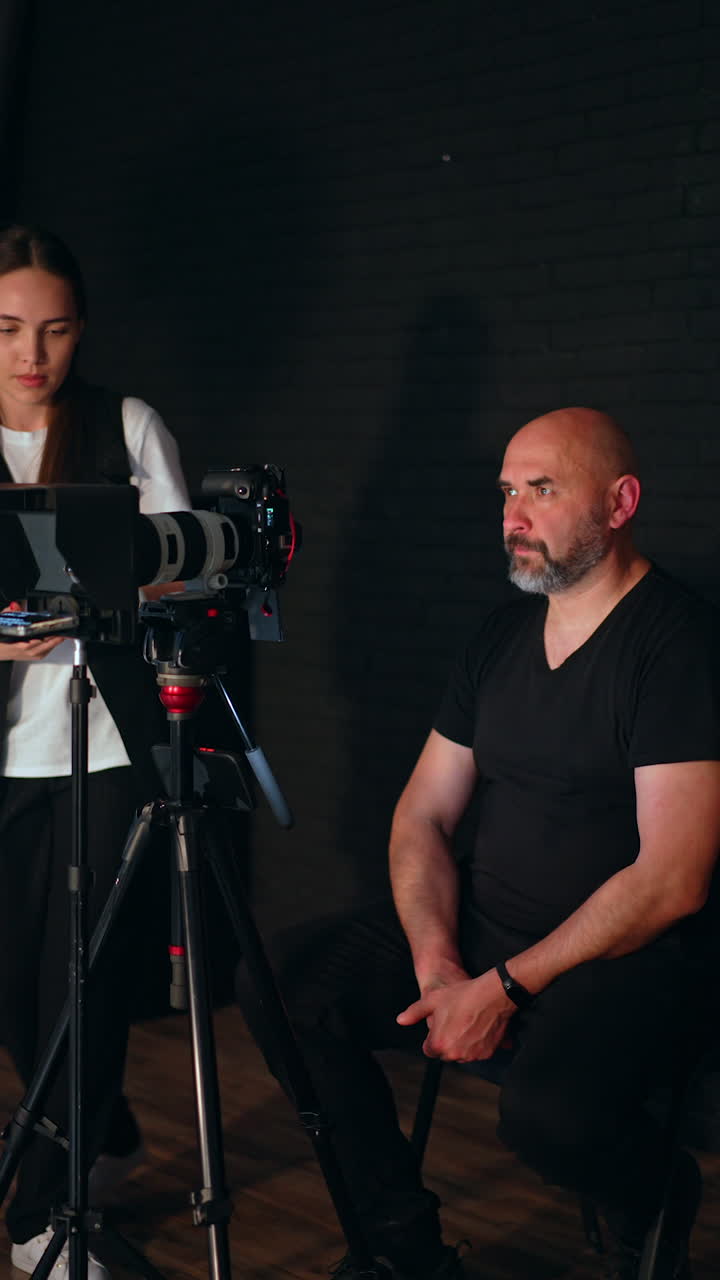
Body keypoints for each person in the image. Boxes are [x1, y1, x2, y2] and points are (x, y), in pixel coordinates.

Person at [238, 407, 720, 1280]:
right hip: (485, 934)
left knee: (549, 1119)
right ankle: (401, 1247)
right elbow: (421, 815)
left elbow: (674, 880)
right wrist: (438, 969)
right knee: (283, 984)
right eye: (506, 492)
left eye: (542, 489)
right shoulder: (500, 636)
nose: (514, 517)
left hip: (618, 960)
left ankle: (659, 1189)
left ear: (621, 502)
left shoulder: (676, 644)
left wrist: (504, 988)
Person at [0, 223, 191, 1279]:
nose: (34, 354)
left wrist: (100, 595)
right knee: (14, 991)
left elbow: (182, 569)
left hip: (105, 745)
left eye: (57, 328)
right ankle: (103, 1132)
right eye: (11, 329)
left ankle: (44, 1217)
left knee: (80, 980)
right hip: (4, 757)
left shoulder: (125, 425)